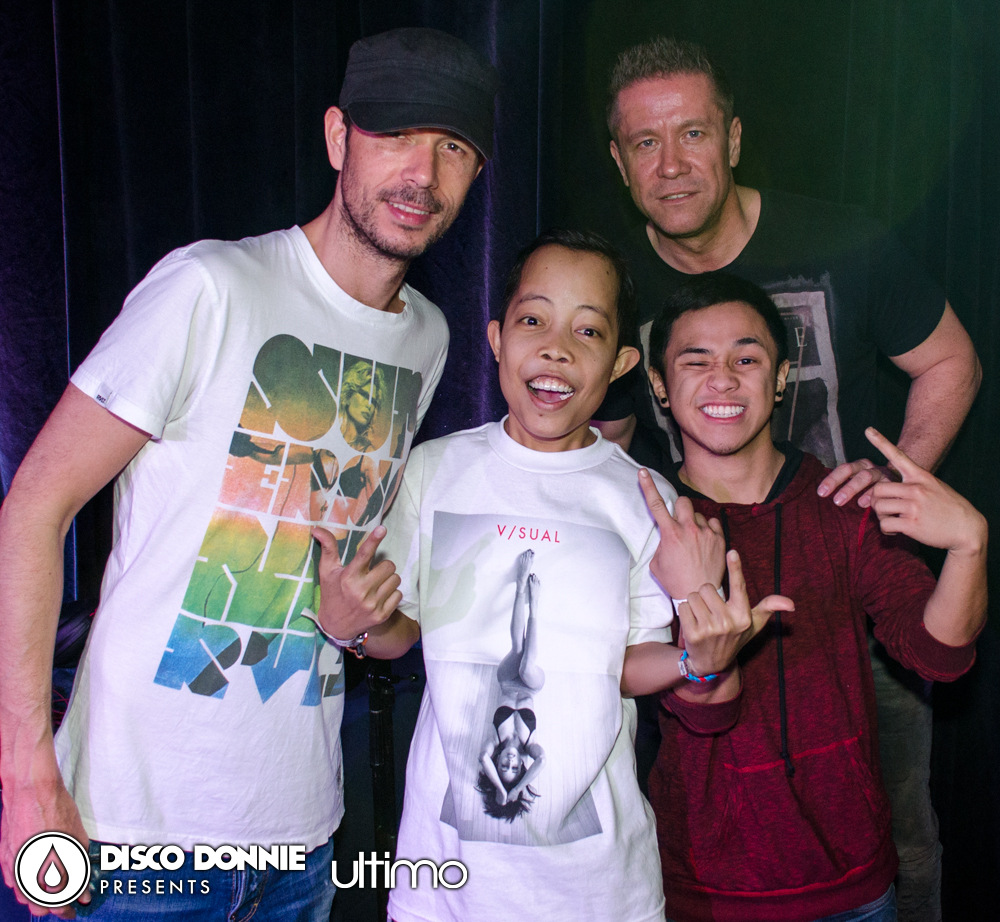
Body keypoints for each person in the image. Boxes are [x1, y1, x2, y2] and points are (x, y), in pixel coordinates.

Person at [0, 26, 497, 920]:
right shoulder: (210, 286)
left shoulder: (428, 338)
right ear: (339, 137)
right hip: (129, 839)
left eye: (453, 147)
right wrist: (27, 773)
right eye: (394, 134)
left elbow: (343, 576)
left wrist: (359, 627)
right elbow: (36, 506)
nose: (422, 172)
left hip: (301, 845)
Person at [599, 37, 982, 919]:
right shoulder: (614, 283)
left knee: (898, 834)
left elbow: (951, 360)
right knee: (701, 824)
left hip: (852, 598)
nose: (671, 164)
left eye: (693, 133)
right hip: (695, 604)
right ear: (619, 161)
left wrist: (889, 493)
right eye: (646, 143)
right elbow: (604, 434)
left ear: (733, 138)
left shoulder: (842, 239)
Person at [312, 229, 791, 921]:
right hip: (443, 890)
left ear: (621, 362)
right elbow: (397, 633)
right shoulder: (434, 470)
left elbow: (621, 667)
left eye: (588, 330)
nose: (557, 347)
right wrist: (351, 625)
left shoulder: (643, 497)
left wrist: (699, 659)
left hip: (601, 890)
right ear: (496, 338)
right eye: (534, 320)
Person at [643, 271, 986, 922]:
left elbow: (939, 655)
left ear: (780, 379)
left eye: (746, 359)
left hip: (852, 885)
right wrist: (703, 641)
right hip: (704, 891)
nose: (723, 379)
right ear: (659, 384)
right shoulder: (645, 521)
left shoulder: (841, 502)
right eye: (696, 361)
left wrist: (969, 546)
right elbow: (695, 714)